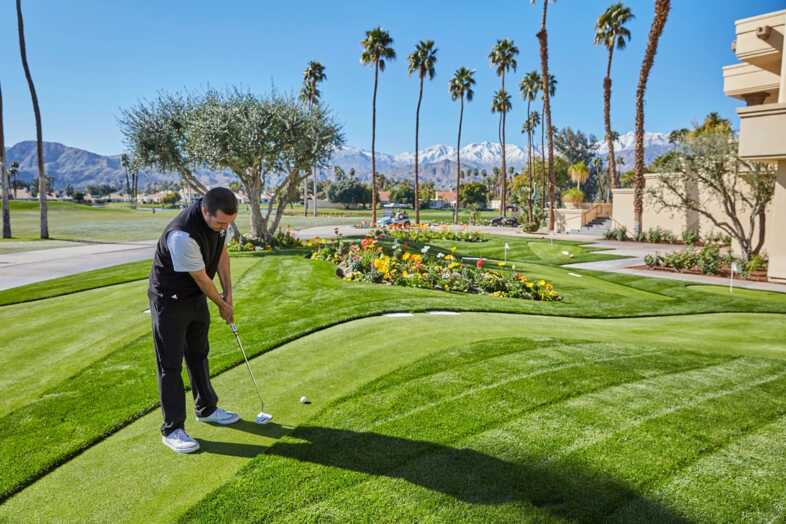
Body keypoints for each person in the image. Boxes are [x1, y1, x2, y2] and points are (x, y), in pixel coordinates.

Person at [148, 187, 240, 454]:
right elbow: (202, 278)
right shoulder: (181, 236)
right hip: (170, 299)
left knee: (199, 353)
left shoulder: (222, 221)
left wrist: (229, 294)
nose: (224, 227)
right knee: (171, 365)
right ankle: (172, 428)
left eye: (229, 223)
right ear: (204, 211)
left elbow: (221, 253)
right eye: (220, 222)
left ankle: (207, 408)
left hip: (195, 296)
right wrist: (221, 304)